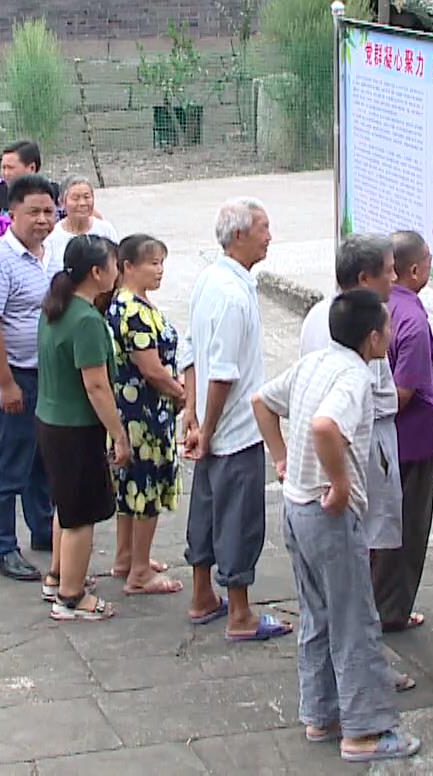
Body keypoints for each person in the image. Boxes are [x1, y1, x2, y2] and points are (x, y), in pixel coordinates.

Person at [252, 289, 423, 764]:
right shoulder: (355, 377)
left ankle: (321, 713)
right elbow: (327, 427)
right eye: (386, 328)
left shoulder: (316, 362)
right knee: (355, 620)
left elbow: (262, 401)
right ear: (373, 338)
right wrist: (342, 482)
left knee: (317, 614)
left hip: (296, 507)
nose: (389, 335)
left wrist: (282, 457)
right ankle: (365, 731)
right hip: (327, 514)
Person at [184, 198, 291, 641]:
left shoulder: (212, 279)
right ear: (241, 234)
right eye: (264, 228)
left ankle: (202, 596)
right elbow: (224, 371)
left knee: (206, 509)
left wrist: (191, 416)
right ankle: (241, 614)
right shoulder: (231, 293)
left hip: (211, 425)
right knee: (239, 519)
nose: (270, 236)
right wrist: (206, 429)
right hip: (233, 430)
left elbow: (190, 351)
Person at [299, 236, 408, 634]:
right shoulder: (357, 348)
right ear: (365, 277)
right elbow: (331, 419)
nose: (395, 279)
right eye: (389, 270)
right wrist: (343, 480)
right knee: (364, 546)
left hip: (332, 450)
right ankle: (363, 637)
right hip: (355, 446)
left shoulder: (319, 314)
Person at [35, 235, 131, 621]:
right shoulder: (88, 320)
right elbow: (96, 385)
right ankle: (72, 597)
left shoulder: (55, 309)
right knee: (81, 516)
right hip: (76, 428)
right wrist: (119, 435)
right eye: (114, 264)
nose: (117, 271)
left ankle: (58, 575)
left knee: (65, 506)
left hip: (51, 420)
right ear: (96, 273)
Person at [0, 175, 60, 581]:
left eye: (49, 211)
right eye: (34, 212)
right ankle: (2, 547)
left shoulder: (50, 254)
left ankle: (43, 529)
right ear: (12, 213)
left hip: (49, 376)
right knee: (9, 463)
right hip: (16, 375)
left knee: (43, 460)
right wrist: (5, 382)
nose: (43, 220)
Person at [106, 235, 193, 595]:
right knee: (147, 486)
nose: (159, 271)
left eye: (161, 263)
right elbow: (152, 369)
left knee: (130, 487)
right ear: (128, 266)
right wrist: (182, 393)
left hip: (131, 409)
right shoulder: (135, 311)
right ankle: (139, 570)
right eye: (152, 263)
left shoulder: (124, 303)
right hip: (145, 412)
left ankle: (127, 556)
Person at [373, 231, 433, 633]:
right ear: (414, 269)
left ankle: (384, 602)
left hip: (391, 439)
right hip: (411, 439)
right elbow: (403, 393)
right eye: (429, 260)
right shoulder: (413, 321)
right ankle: (391, 608)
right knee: (408, 527)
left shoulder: (386, 306)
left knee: (387, 524)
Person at [43, 177, 118, 264]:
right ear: (62, 202)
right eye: (75, 198)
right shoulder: (52, 237)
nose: (82, 203)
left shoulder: (106, 229)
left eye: (87, 197)